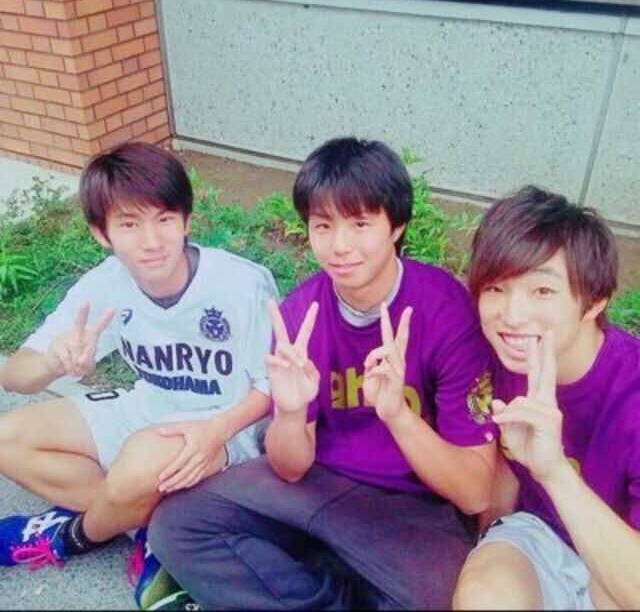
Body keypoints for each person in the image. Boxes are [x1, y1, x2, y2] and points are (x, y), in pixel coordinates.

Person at [148, 136, 498, 610]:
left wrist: (398, 416)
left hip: (410, 508)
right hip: (315, 486)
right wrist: (291, 413)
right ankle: (335, 589)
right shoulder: (301, 314)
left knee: (444, 599)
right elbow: (290, 467)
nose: (340, 246)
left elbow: (475, 493)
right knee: (178, 525)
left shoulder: (446, 311)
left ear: (396, 225)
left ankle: (314, 583)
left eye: (360, 223)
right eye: (323, 225)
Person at [0, 142, 278, 610]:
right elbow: (14, 375)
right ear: (101, 233)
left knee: (139, 464)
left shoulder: (239, 284)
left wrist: (216, 431)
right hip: (147, 409)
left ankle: (71, 535)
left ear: (186, 220)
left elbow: (274, 385)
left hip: (225, 428)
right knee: (8, 438)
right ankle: (148, 529)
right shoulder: (106, 283)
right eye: (129, 224)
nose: (152, 241)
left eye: (164, 219)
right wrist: (52, 363)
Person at [452, 185, 640, 610]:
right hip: (541, 534)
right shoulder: (494, 354)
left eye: (542, 291)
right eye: (496, 288)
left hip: (622, 554)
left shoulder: (631, 390)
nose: (513, 316)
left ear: (595, 301)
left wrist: (553, 470)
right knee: (485, 593)